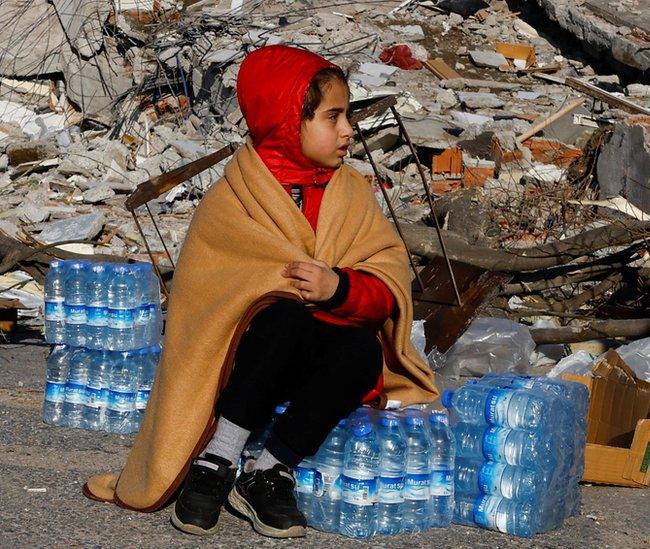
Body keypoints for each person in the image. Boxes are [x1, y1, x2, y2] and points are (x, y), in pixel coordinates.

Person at [83, 45, 438, 539]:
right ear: (287, 119)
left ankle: (270, 469)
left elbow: (387, 286)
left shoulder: (352, 192)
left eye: (348, 116)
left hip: (321, 360)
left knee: (360, 351)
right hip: (246, 363)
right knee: (283, 321)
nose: (347, 130)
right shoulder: (234, 198)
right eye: (332, 116)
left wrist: (338, 289)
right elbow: (207, 302)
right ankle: (217, 458)